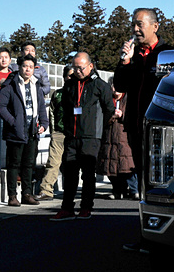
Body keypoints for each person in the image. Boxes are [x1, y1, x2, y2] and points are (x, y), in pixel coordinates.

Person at [113, 8, 174, 250]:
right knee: (144, 184)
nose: (136, 29)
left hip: (162, 131)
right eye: (133, 25)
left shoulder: (167, 54)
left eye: (140, 24)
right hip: (136, 127)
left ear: (155, 26)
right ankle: (147, 236)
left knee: (161, 182)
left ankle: (165, 235)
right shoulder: (134, 55)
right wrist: (125, 60)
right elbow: (120, 85)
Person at [50, 52, 114, 221]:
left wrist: (99, 129)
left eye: (81, 68)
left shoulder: (100, 85)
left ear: (90, 66)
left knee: (88, 174)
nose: (77, 71)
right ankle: (67, 208)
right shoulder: (70, 84)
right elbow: (64, 107)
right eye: (75, 67)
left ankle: (86, 207)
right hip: (72, 135)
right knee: (69, 172)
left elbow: (109, 109)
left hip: (91, 136)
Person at [0, 55, 48, 206]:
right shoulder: (10, 84)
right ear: (19, 67)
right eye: (25, 66)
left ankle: (27, 194)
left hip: (32, 130)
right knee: (14, 165)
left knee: (29, 165)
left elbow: (41, 106)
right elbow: (0, 106)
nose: (27, 70)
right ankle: (12, 196)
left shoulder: (36, 85)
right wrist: (13, 122)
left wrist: (44, 123)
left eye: (31, 67)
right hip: (15, 132)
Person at [36, 64, 73, 200]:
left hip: (75, 133)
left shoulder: (82, 93)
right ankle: (46, 190)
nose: (71, 78)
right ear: (64, 77)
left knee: (72, 164)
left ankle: (71, 190)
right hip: (59, 132)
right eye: (69, 76)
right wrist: (53, 131)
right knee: (53, 161)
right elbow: (51, 113)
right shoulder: (57, 94)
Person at [97, 87, 135, 200]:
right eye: (113, 86)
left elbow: (133, 116)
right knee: (111, 166)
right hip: (108, 137)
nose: (115, 89)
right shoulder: (107, 99)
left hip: (124, 137)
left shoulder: (129, 99)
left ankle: (134, 190)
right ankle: (117, 190)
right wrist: (111, 116)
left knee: (127, 165)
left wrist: (122, 115)